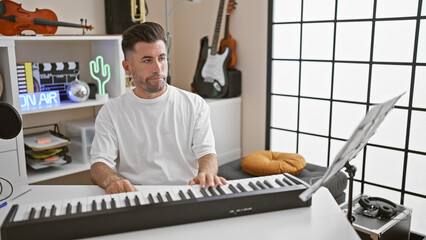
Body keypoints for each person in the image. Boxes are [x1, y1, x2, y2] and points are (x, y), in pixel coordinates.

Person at [89, 22, 227, 194]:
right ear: (128, 68)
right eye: (147, 60)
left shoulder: (195, 104)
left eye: (162, 58)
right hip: (134, 195)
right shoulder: (111, 112)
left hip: (186, 192)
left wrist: (206, 173)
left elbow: (207, 153)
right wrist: (112, 180)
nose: (158, 69)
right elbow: (99, 163)